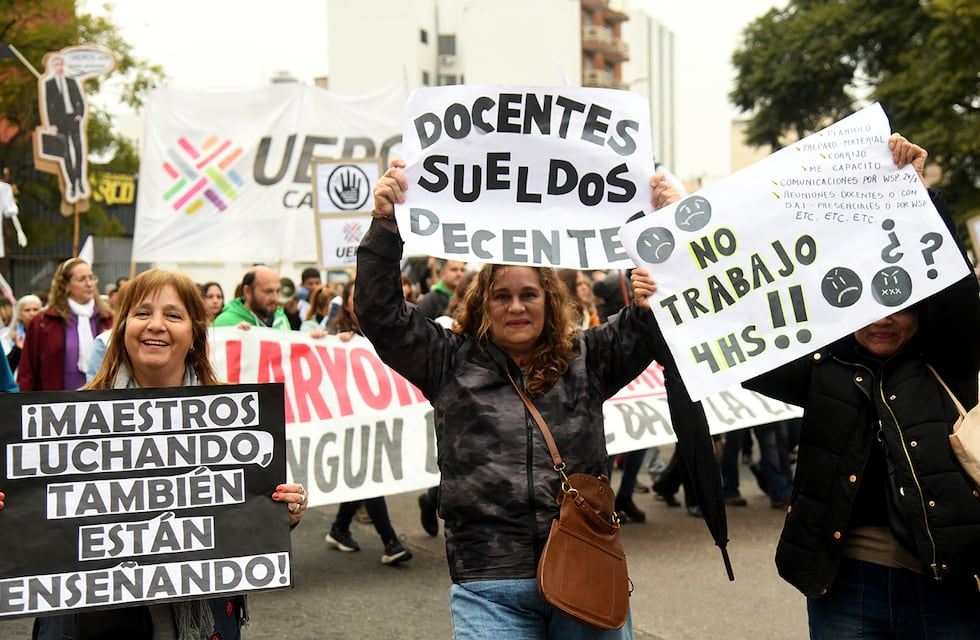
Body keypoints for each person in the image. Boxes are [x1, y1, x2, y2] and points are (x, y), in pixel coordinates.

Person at [358, 159, 704, 638]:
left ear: (550, 300)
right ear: (482, 304)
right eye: (501, 296)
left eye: (529, 294)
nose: (516, 306)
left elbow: (654, 313)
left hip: (585, 570)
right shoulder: (447, 361)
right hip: (489, 585)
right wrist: (386, 225)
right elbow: (380, 314)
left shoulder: (589, 358)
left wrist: (667, 227)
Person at [739, 134, 980, 637]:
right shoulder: (822, 367)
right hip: (845, 590)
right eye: (865, 299)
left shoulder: (950, 355)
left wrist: (916, 199)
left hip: (949, 591)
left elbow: (956, 289)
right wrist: (671, 258)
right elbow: (735, 348)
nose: (883, 318)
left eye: (898, 297)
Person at [30, 268, 309, 640]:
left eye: (173, 315)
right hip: (97, 622)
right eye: (142, 313)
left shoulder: (234, 417)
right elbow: (40, 521)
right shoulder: (70, 422)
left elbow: (252, 509)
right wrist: (14, 511)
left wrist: (285, 512)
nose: (155, 325)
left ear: (193, 333)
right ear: (123, 327)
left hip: (207, 618)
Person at [321, 277, 413, 565]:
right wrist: (328, 341)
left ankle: (339, 528)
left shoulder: (384, 329)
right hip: (347, 418)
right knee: (368, 474)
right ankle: (391, 542)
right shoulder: (337, 333)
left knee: (362, 474)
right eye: (354, 297)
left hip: (376, 416)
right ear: (346, 305)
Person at [17, 258, 113, 391]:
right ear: (65, 285)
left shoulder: (107, 319)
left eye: (92, 278)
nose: (89, 284)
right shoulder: (44, 322)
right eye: (82, 279)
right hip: (56, 404)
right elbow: (27, 370)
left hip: (99, 403)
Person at [42, 55, 88, 199]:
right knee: (66, 155)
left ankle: (80, 179)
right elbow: (49, 106)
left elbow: (80, 100)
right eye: (57, 65)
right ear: (53, 67)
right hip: (60, 122)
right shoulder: (49, 84)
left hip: (73, 120)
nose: (59, 67)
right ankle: (73, 183)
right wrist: (52, 124)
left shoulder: (71, 81)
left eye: (61, 64)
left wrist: (80, 114)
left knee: (79, 151)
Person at [213, 266, 291, 330]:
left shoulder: (282, 319)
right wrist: (235, 336)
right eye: (268, 291)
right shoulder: (225, 323)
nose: (275, 298)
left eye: (278, 291)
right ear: (248, 291)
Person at [4, 293, 41, 371]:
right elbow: (5, 367)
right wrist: (17, 350)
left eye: (35, 309)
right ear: (19, 315)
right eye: (27, 310)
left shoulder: (48, 334)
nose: (32, 313)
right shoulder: (7, 336)